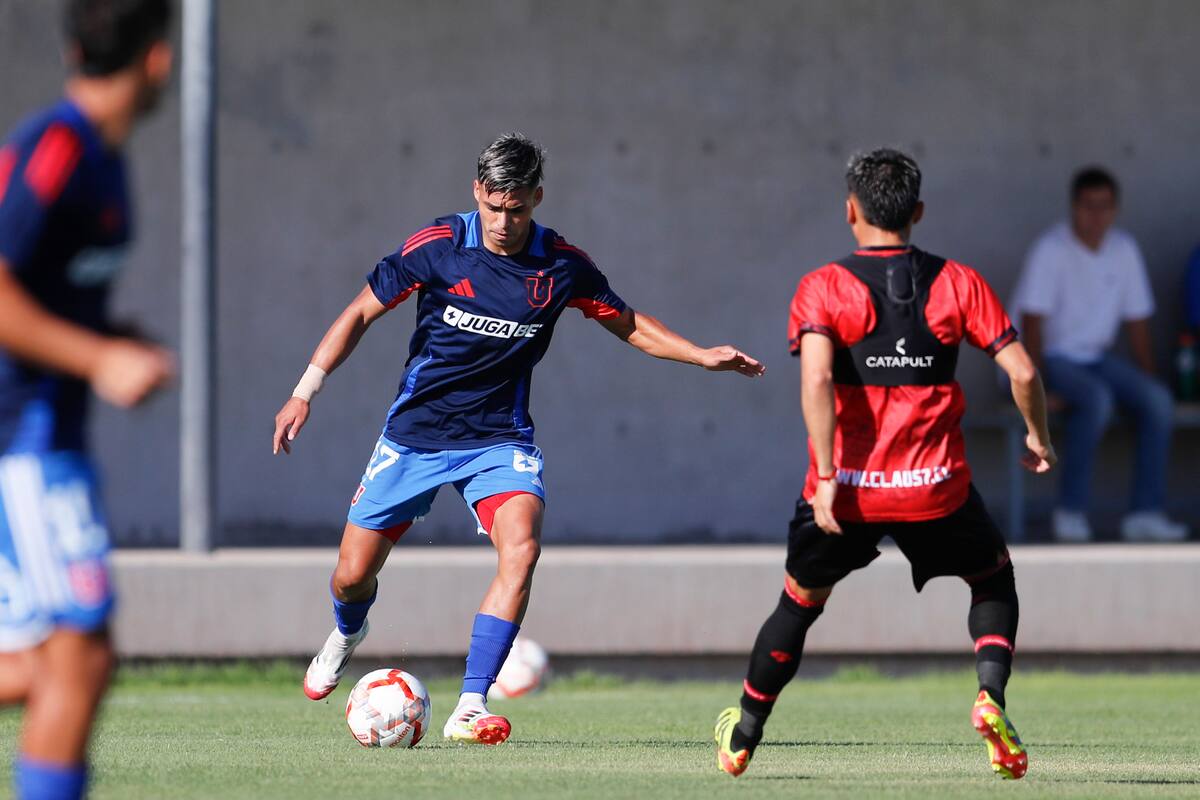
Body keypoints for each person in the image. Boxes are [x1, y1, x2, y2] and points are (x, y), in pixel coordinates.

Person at [272, 133, 764, 745]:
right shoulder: (439, 246)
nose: (504, 221)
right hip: (416, 436)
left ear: (536, 197)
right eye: (493, 205)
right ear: (477, 191)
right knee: (350, 577)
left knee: (522, 549)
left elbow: (628, 324)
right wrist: (305, 390)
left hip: (499, 440)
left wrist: (701, 356)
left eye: (517, 208)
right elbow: (358, 314)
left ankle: (471, 705)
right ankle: (346, 634)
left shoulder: (562, 266)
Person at [713, 149, 1055, 780]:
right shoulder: (960, 282)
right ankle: (989, 696)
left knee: (798, 604)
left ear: (851, 211)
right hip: (937, 492)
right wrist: (1038, 436)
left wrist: (825, 475)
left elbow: (816, 379)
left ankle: (745, 732)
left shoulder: (823, 286)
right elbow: (1025, 371)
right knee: (993, 580)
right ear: (917, 212)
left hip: (847, 495)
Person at [0, 1, 175, 798]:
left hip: (50, 437)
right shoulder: (58, 148)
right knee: (81, 655)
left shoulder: (104, 159)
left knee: (53, 662)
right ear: (159, 59)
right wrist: (99, 355)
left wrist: (113, 334)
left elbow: (49, 289)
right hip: (23, 439)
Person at [1010, 167, 1187, 542]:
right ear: (1074, 207)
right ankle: (1069, 511)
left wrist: (1148, 379)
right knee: (1097, 400)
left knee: (1157, 400)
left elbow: (1138, 324)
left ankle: (1145, 513)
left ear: (1115, 209)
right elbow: (1032, 322)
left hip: (1097, 360)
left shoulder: (1124, 250)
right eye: (1089, 206)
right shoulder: (1051, 249)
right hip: (1053, 359)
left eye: (1105, 207)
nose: (1096, 215)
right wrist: (1038, 391)